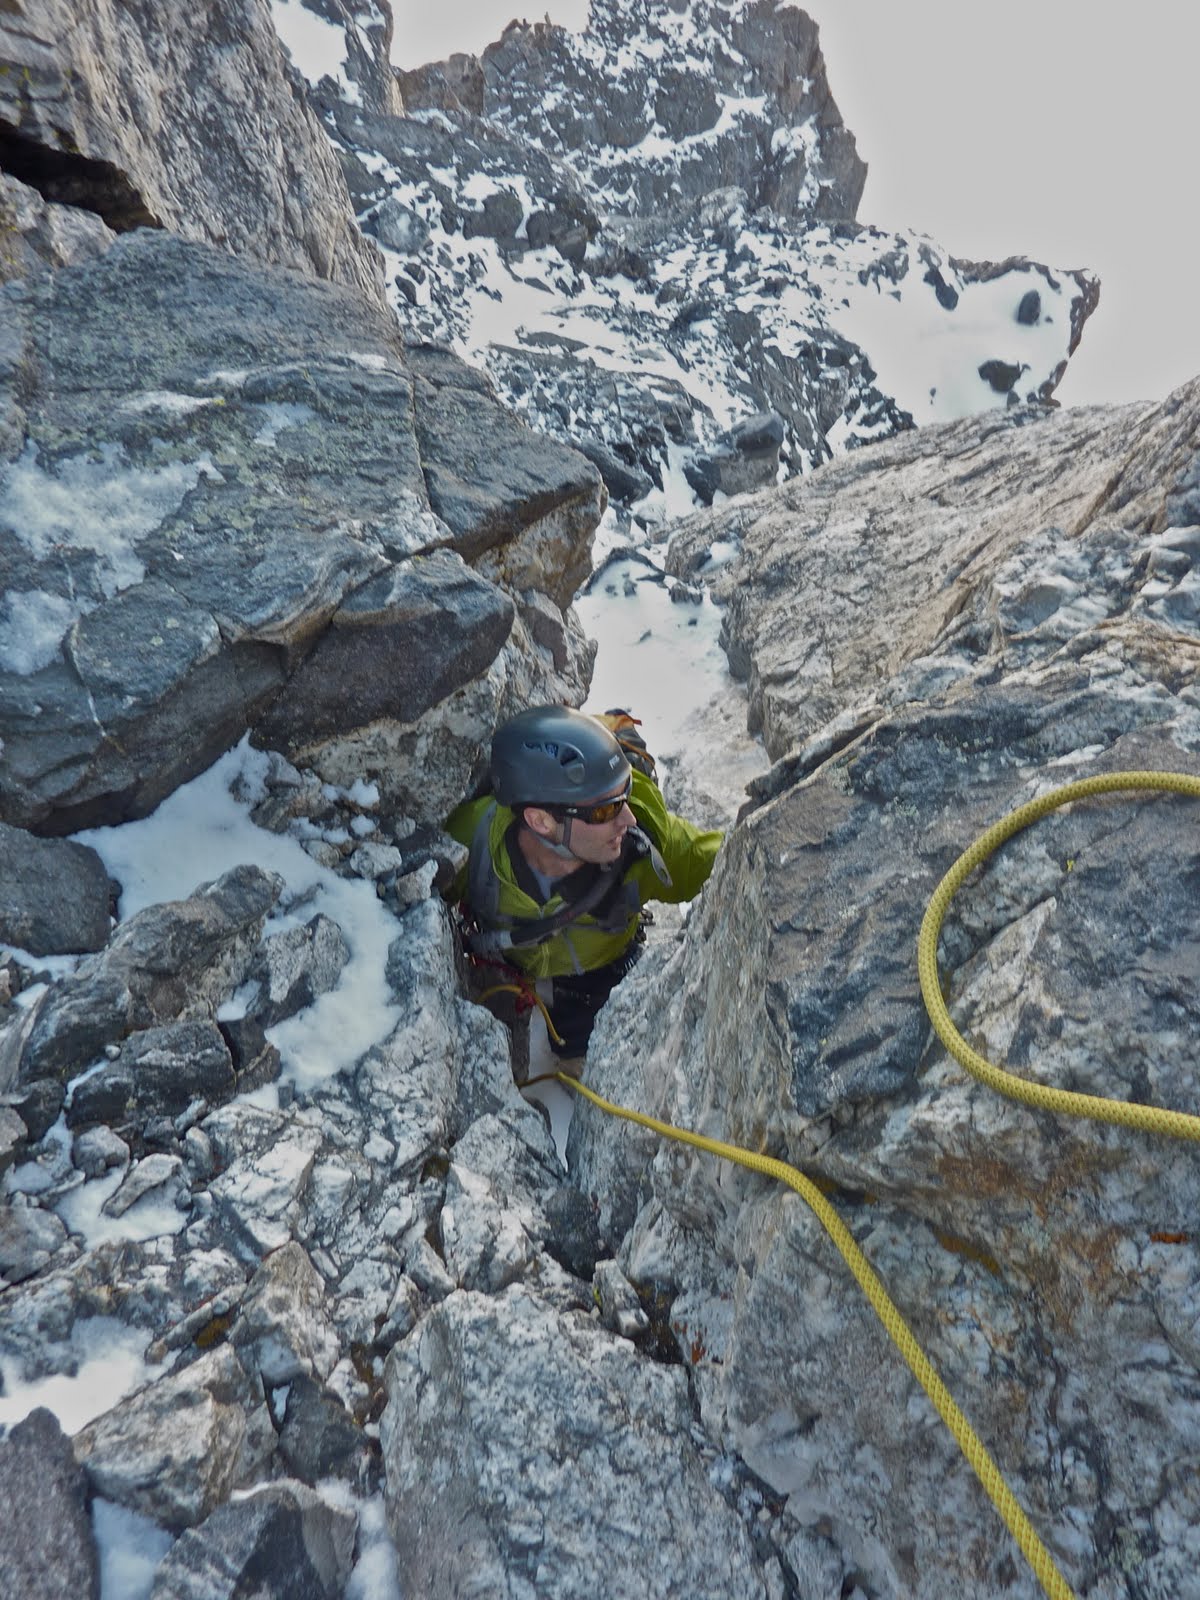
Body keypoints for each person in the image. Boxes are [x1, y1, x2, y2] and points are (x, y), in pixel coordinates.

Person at [445, 704, 723, 1073]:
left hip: (599, 970)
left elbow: (736, 860)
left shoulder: (646, 848)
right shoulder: (474, 844)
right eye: (606, 811)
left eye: (625, 795)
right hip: (508, 964)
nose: (628, 818)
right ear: (540, 821)